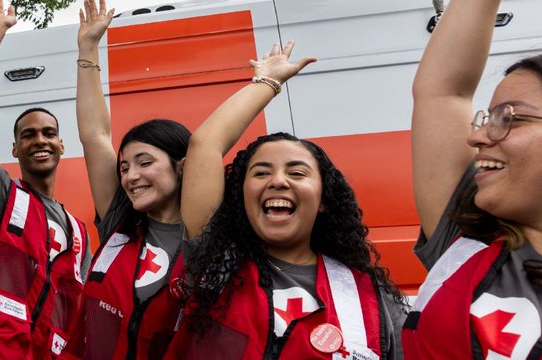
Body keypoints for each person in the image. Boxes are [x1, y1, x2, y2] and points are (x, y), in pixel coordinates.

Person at [167, 42, 407, 359]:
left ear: (323, 200)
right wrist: (268, 82)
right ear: (241, 196)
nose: (278, 181)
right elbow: (205, 144)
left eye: (296, 173)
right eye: (261, 173)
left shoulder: (371, 301)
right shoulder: (215, 263)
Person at [403, 0, 542, 357]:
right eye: (488, 118)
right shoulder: (467, 238)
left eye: (509, 118)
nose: (477, 136)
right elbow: (443, 92)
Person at [59, 1, 193, 358]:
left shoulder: (207, 236)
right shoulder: (119, 220)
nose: (131, 176)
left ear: (182, 167)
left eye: (144, 163)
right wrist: (88, 48)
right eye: (124, 167)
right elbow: (95, 135)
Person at [0, 1, 91, 358]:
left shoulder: (78, 231)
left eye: (49, 133)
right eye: (28, 135)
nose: (40, 141)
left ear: (61, 145)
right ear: (15, 149)